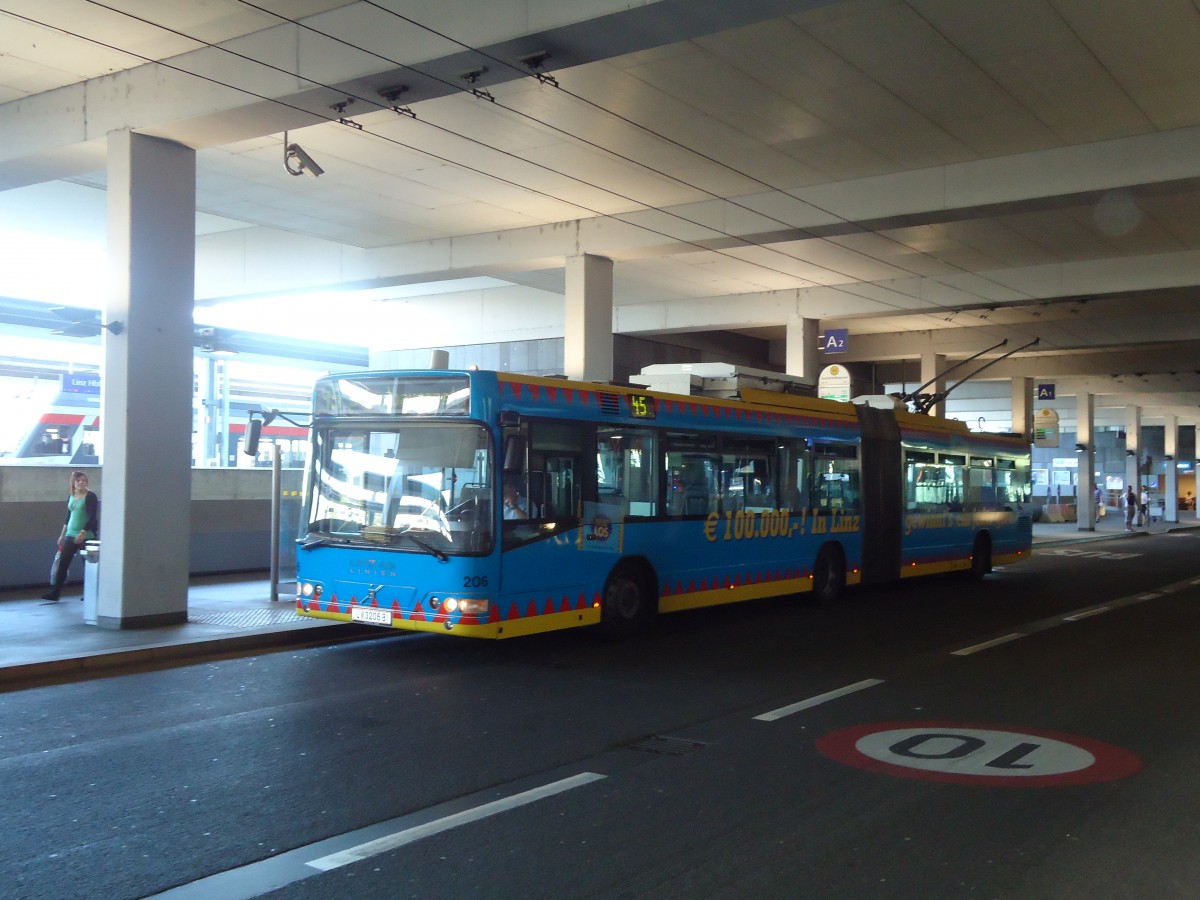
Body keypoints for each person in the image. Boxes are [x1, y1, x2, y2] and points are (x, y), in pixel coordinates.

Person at [42, 470, 99, 602]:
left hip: (86, 536)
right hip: (70, 534)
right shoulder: (72, 496)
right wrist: (62, 535)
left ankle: (90, 592)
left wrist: (83, 532)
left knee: (88, 565)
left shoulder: (90, 496)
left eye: (84, 480)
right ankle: (55, 593)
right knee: (63, 562)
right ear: (73, 483)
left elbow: (92, 517)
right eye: (78, 481)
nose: (81, 483)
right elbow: (68, 517)